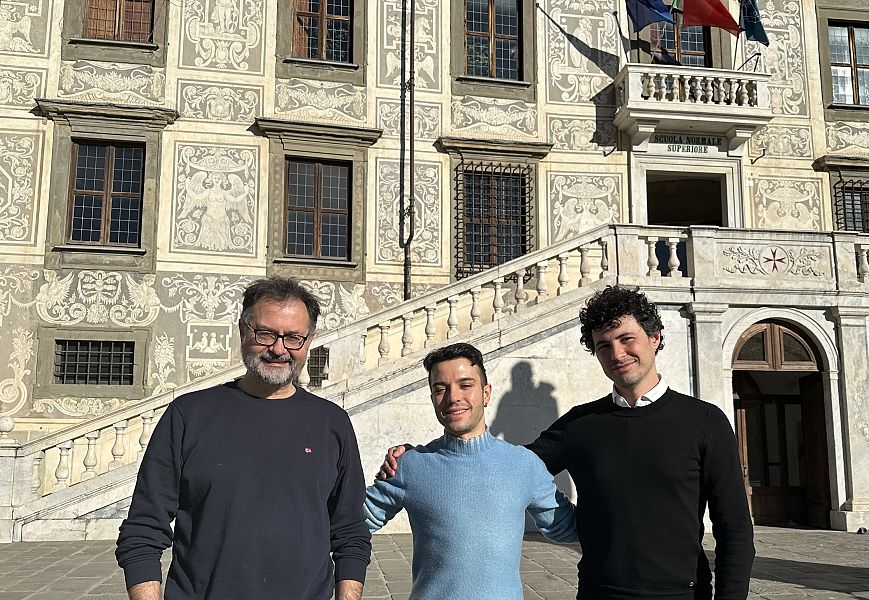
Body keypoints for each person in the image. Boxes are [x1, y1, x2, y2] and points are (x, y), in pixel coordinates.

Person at [381, 286, 755, 600]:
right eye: (604, 345)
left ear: (654, 338)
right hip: (597, 593)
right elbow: (508, 465)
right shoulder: (581, 424)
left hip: (682, 594)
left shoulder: (704, 421)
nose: (617, 354)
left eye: (626, 339)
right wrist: (424, 458)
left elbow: (735, 530)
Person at [116, 276, 371, 600]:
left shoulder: (332, 423)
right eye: (265, 334)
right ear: (242, 331)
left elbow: (350, 531)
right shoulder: (189, 416)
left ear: (309, 341)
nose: (278, 349)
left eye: (293, 337)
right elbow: (144, 528)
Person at [364, 342, 577, 600]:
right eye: (440, 389)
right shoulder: (410, 465)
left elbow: (570, 526)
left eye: (465, 385)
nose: (453, 397)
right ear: (432, 399)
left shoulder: (524, 464)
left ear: (486, 394)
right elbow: (351, 522)